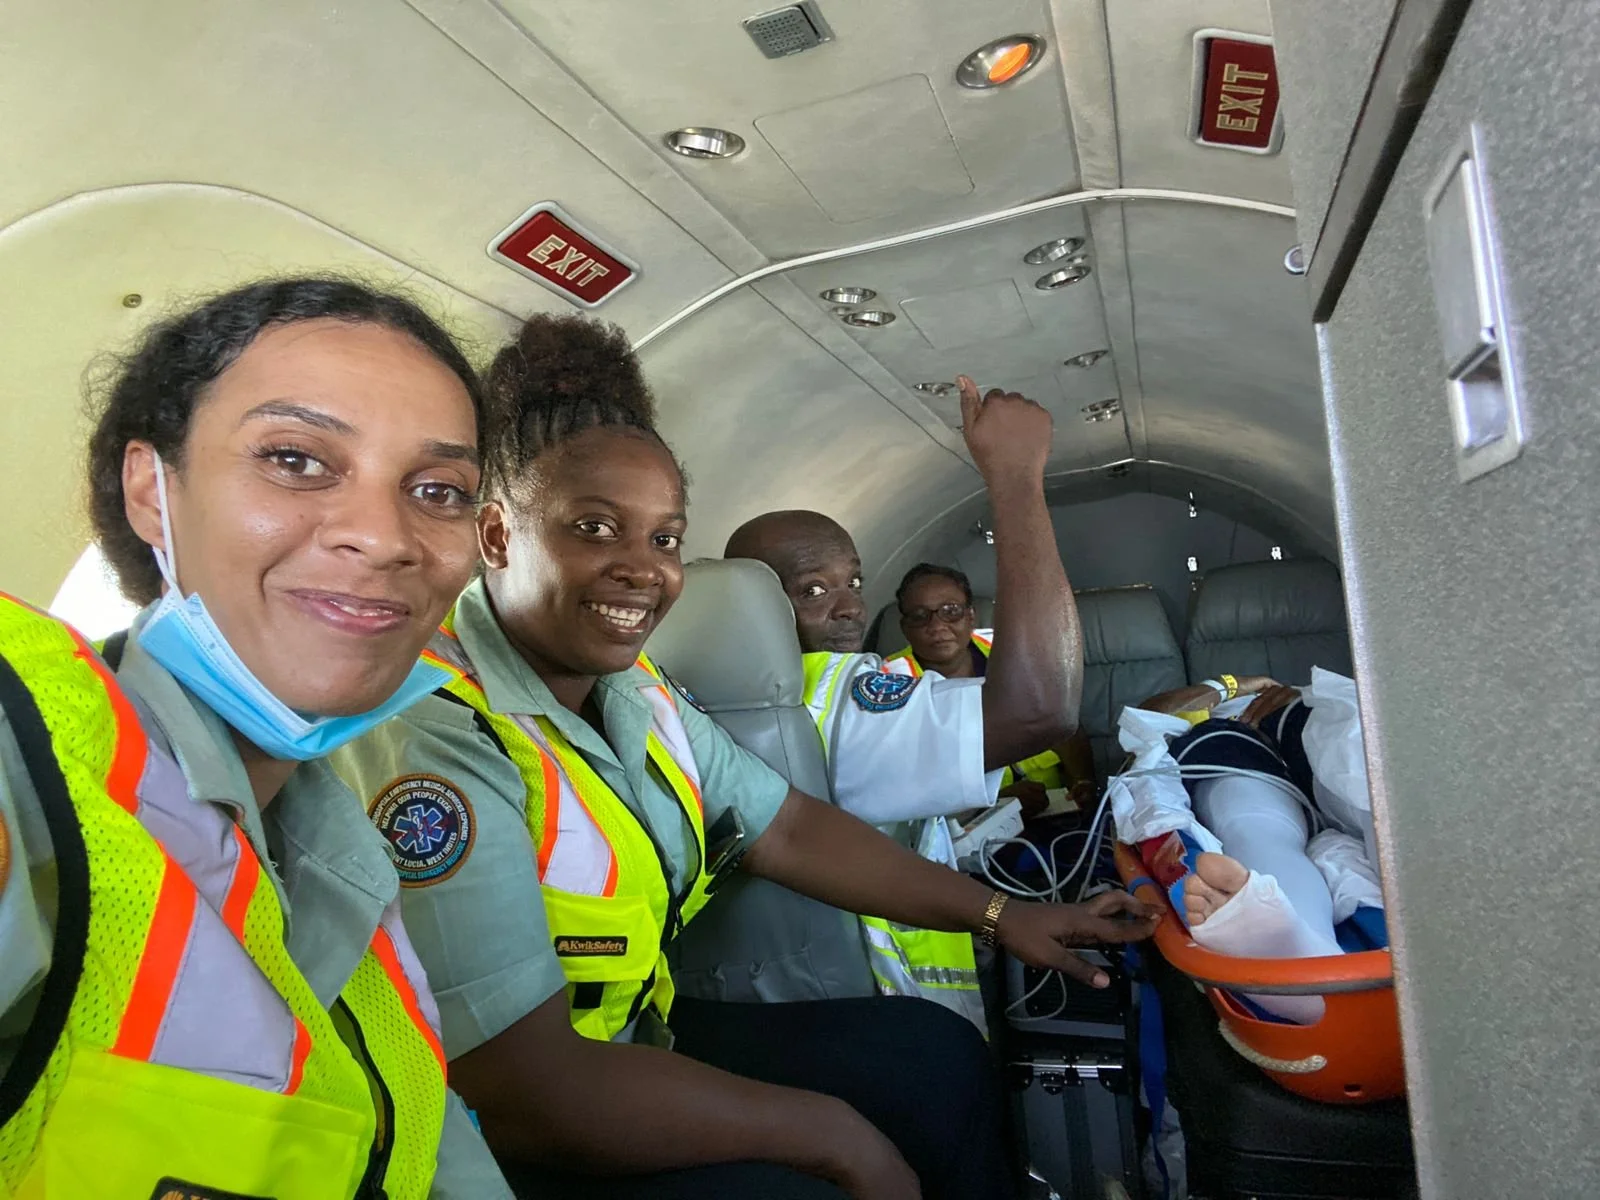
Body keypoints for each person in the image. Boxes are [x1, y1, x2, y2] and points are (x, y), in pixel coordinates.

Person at [334, 319, 1158, 1200]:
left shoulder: (636, 691)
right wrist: (833, 1138)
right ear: (496, 537)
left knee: (932, 1056)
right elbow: (525, 1091)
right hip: (495, 1125)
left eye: (663, 539)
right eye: (594, 528)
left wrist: (1002, 916)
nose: (641, 570)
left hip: (635, 1037)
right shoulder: (433, 736)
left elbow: (789, 828)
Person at [0, 279, 511, 1197]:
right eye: (296, 459)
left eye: (437, 490)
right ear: (150, 493)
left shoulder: (337, 855)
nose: (383, 536)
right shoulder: (33, 754)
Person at [1115, 672, 1385, 1022]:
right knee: (1256, 823)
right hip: (1243, 757)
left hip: (1307, 730)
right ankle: (1305, 958)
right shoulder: (1212, 715)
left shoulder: (1303, 694)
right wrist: (1232, 685)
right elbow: (1150, 714)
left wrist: (1294, 694)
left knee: (1370, 778)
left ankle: (1305, 969)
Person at [884, 562, 1097, 815]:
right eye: (920, 616)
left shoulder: (1013, 650)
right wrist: (995, 804)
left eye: (951, 611)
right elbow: (906, 784)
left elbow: (1064, 723)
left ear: (971, 616)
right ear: (905, 627)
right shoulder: (890, 684)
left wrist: (1082, 783)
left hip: (1058, 806)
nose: (937, 626)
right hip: (969, 828)